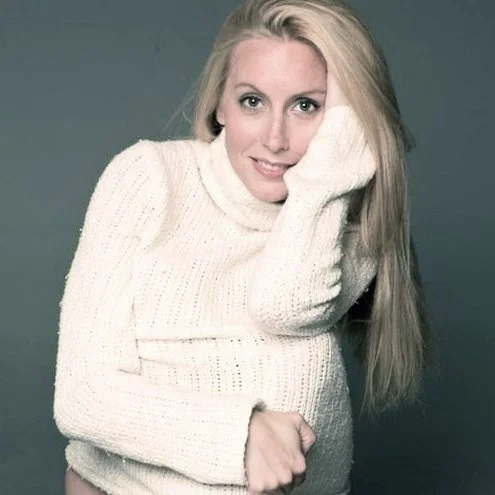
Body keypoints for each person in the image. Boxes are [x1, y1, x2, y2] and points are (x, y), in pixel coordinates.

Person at [53, 0, 432, 494]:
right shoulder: (150, 179)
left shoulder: (347, 222)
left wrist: (323, 183)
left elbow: (285, 308)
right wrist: (240, 433)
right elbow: (83, 396)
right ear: (220, 104)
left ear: (348, 123)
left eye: (307, 106)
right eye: (252, 101)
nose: (275, 139)